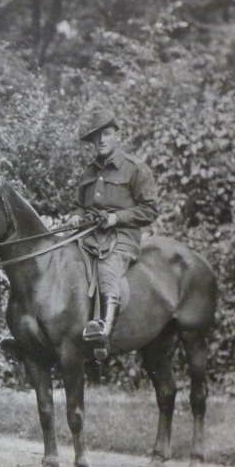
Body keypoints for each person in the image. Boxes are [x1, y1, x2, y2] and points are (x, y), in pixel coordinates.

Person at [67, 109, 160, 360]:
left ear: (116, 135)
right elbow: (78, 204)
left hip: (122, 239)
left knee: (107, 269)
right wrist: (75, 214)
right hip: (89, 238)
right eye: (96, 137)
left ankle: (103, 335)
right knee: (63, 262)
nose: (102, 141)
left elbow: (150, 210)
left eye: (106, 134)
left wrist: (116, 218)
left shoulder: (134, 169)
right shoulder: (88, 173)